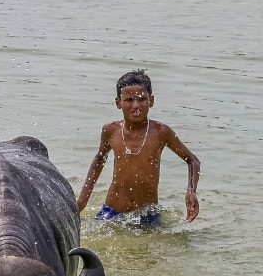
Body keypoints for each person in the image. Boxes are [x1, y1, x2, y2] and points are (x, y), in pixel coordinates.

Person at [76, 69, 201, 226]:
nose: (136, 105)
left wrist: (191, 192)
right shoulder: (111, 130)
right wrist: (82, 200)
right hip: (112, 211)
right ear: (118, 102)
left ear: (151, 101)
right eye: (129, 99)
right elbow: (99, 159)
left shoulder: (161, 132)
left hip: (147, 214)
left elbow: (192, 160)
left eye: (142, 99)